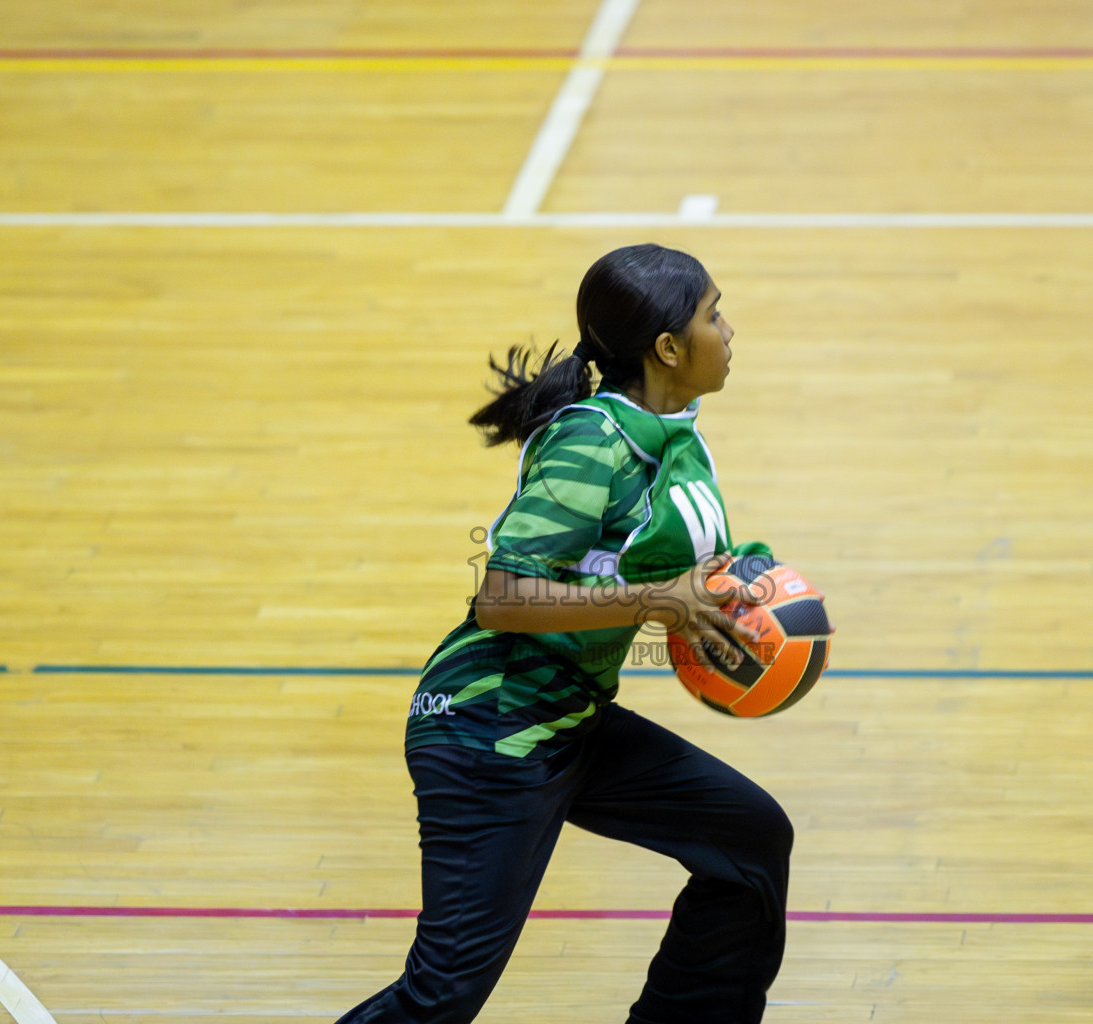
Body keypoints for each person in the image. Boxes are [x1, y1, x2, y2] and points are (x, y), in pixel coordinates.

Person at [335, 244, 793, 1024]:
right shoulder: (593, 441)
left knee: (749, 843)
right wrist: (657, 600)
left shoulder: (674, 435)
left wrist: (750, 589)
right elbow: (503, 598)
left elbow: (697, 568)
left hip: (569, 720)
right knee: (442, 994)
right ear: (669, 349)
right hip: (490, 731)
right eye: (714, 314)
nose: (730, 329)